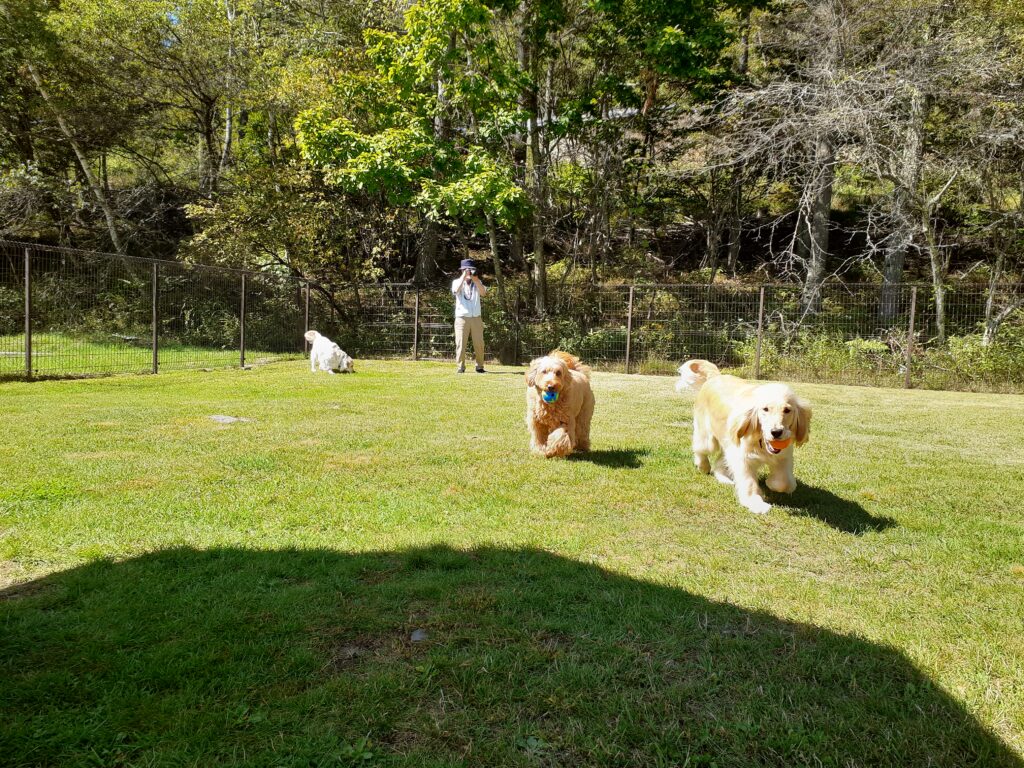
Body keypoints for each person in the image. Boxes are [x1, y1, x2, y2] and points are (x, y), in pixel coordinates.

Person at [452, 258, 487, 373]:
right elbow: (455, 291)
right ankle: (460, 367)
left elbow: (483, 293)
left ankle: (480, 366)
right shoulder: (457, 282)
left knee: (479, 343)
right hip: (462, 317)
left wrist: (476, 280)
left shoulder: (477, 282)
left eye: (471, 270)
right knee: (461, 343)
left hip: (476, 317)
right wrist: (463, 277)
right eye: (467, 270)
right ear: (462, 270)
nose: (469, 272)